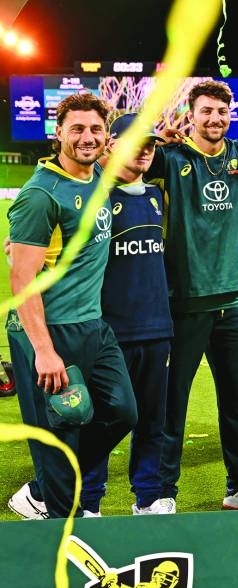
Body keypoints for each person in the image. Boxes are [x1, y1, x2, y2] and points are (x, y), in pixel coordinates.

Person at [5, 92, 137, 519]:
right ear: (58, 132)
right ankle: (62, 526)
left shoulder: (97, 172)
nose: (87, 137)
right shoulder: (41, 194)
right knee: (59, 435)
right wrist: (43, 350)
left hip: (92, 326)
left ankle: (43, 488)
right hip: (47, 331)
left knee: (121, 412)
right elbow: (22, 279)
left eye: (96, 129)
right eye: (77, 128)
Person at [149, 80, 238, 510]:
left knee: (235, 405)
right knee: (173, 407)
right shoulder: (171, 157)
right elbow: (120, 161)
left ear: (231, 114)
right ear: (191, 115)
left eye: (222, 112)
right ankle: (163, 492)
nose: (215, 119)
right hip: (185, 306)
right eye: (206, 111)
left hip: (234, 305)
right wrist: (156, 133)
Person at [77, 113, 175, 516]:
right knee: (104, 420)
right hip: (109, 332)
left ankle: (148, 498)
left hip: (156, 328)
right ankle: (89, 503)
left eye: (150, 144)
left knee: (153, 422)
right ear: (111, 144)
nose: (144, 150)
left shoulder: (157, 196)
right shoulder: (93, 195)